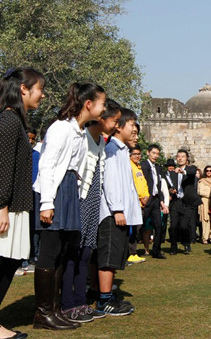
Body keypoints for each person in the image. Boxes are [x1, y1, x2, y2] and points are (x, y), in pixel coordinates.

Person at [33, 83, 106, 330]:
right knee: (50, 251)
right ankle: (43, 312)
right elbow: (47, 166)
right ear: (89, 104)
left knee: (63, 251)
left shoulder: (78, 132)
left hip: (69, 190)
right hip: (55, 191)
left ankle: (54, 309)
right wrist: (46, 203)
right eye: (102, 103)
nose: (103, 109)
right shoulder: (61, 129)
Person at [60, 99, 121, 323]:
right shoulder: (81, 138)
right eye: (114, 120)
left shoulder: (101, 142)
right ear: (102, 119)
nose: (116, 125)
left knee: (86, 254)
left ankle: (80, 301)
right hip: (79, 202)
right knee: (72, 255)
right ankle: (68, 304)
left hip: (93, 203)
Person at [0, 67, 44, 339]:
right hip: (7, 206)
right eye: (39, 88)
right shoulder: (8, 121)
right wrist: (1, 206)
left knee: (10, 262)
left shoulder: (15, 120)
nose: (42, 94)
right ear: (23, 89)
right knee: (4, 263)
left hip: (15, 205)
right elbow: (2, 167)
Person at [96, 108, 141, 316]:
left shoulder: (121, 150)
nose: (134, 130)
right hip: (112, 213)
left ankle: (106, 294)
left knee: (115, 256)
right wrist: (117, 209)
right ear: (119, 126)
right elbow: (111, 181)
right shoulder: (112, 149)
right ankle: (104, 299)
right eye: (131, 125)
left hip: (120, 212)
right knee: (109, 256)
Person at [140, 145, 168, 259]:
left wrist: (161, 201)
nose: (155, 156)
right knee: (139, 225)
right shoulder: (143, 165)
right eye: (154, 153)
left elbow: (159, 185)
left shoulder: (157, 167)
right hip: (146, 200)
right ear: (148, 153)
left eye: (157, 154)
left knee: (159, 226)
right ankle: (130, 251)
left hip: (156, 200)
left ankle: (156, 251)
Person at [128, 144, 149, 261]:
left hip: (142, 203)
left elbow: (143, 184)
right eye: (134, 154)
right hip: (134, 202)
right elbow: (132, 185)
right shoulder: (129, 166)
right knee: (133, 229)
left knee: (137, 228)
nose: (137, 156)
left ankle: (133, 251)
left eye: (138, 154)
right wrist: (140, 197)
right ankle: (130, 252)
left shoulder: (139, 167)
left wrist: (146, 196)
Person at [197, 166, 211, 244]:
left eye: (210, 171)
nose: (209, 172)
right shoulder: (201, 181)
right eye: (207, 170)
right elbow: (200, 192)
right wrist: (210, 194)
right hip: (205, 201)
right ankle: (205, 237)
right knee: (205, 219)